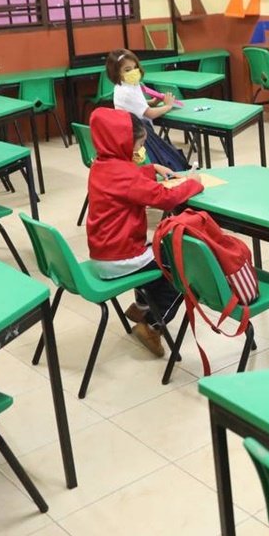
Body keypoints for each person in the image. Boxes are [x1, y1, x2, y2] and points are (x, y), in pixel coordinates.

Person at [87, 108, 203, 357]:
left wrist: (152, 169)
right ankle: (152, 326)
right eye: (138, 145)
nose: (140, 150)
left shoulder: (101, 165)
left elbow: (127, 180)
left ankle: (141, 306)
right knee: (180, 266)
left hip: (103, 254)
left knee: (156, 252)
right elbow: (164, 198)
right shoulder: (125, 174)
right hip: (121, 258)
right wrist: (194, 183)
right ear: (121, 143)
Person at [106, 49, 189, 171]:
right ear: (116, 73)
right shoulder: (126, 91)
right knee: (162, 160)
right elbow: (149, 113)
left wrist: (152, 102)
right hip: (139, 134)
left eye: (135, 67)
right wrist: (167, 106)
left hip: (137, 130)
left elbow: (136, 106)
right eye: (127, 70)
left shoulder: (129, 85)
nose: (133, 72)